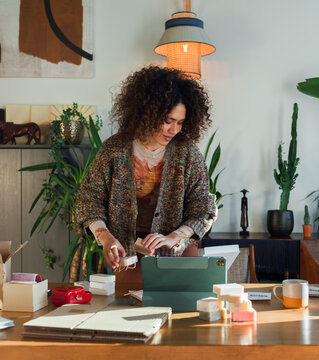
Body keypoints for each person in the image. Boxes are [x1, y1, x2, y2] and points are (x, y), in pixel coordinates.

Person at [75, 66, 217, 281]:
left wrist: (174, 237)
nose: (174, 130)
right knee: (130, 307)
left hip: (178, 250)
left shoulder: (188, 153)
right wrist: (106, 238)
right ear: (147, 114)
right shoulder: (114, 150)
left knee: (184, 309)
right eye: (168, 121)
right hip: (127, 252)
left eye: (180, 123)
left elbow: (202, 208)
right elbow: (89, 200)